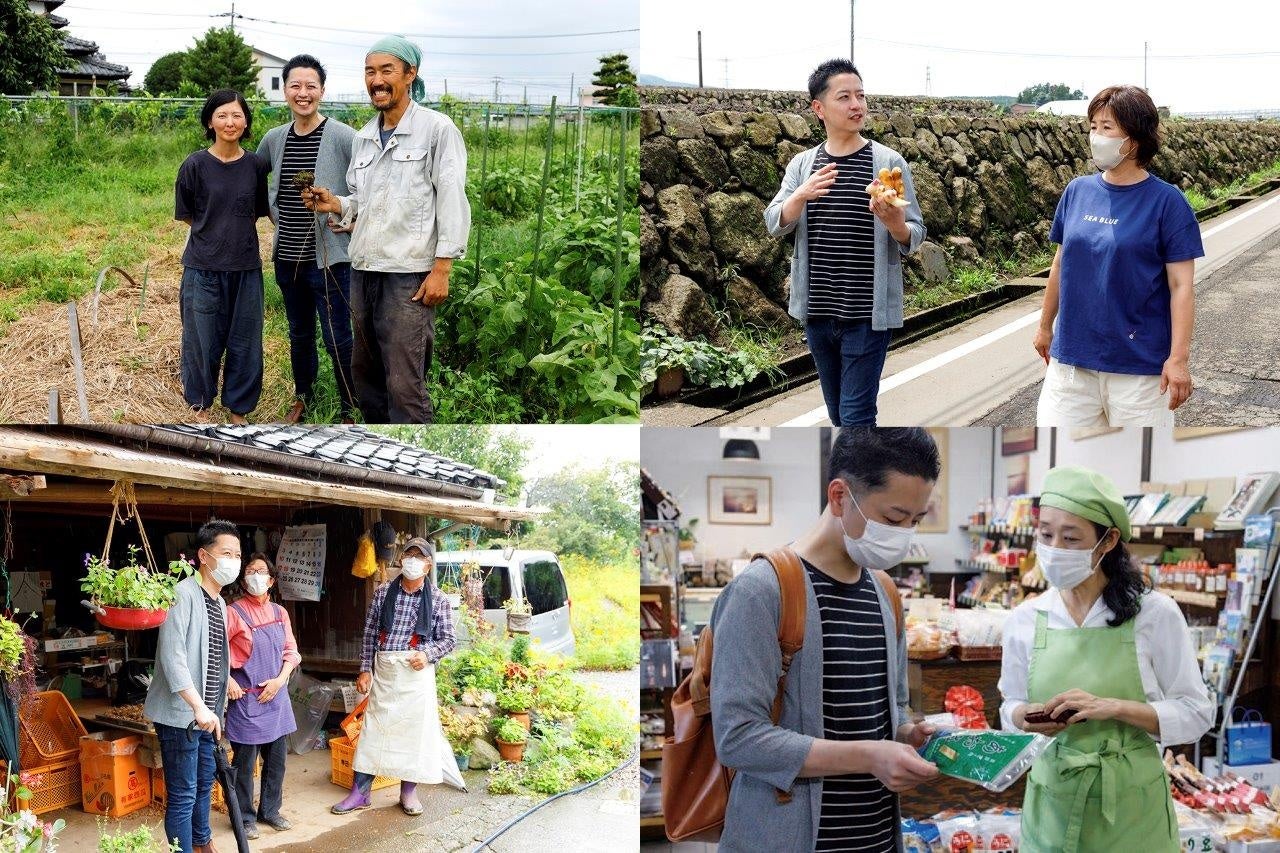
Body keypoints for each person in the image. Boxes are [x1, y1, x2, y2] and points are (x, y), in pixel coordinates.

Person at [710, 428, 941, 852]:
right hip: (789, 838)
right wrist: (870, 756)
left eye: (916, 521)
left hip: (876, 838)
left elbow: (893, 706)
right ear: (839, 496)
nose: (905, 534)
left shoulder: (886, 593)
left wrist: (908, 733)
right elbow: (738, 738)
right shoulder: (763, 590)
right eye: (893, 519)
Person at [998, 466, 1214, 853]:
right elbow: (1009, 704)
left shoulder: (1154, 614)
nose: (1053, 548)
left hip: (1131, 811)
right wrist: (1022, 716)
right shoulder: (1024, 620)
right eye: (1045, 534)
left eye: (1070, 537)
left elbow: (1197, 713)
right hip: (1053, 805)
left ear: (1108, 540)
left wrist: (1112, 707)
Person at [303, 36, 471, 424]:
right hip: (363, 270)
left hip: (408, 275)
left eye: (386, 70)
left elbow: (451, 200)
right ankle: (380, 437)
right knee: (366, 376)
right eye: (369, 71)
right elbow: (361, 201)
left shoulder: (436, 130)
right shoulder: (364, 137)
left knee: (404, 383)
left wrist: (442, 267)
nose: (376, 80)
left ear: (410, 74)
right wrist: (336, 203)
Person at [764, 60, 926, 427]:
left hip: (867, 315)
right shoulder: (803, 166)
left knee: (856, 415)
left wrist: (894, 222)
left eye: (861, 95)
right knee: (838, 414)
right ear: (818, 109)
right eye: (845, 97)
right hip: (818, 312)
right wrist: (801, 195)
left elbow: (913, 234)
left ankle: (859, 484)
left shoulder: (887, 162)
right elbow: (774, 222)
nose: (857, 105)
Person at [1034, 85, 1204, 427]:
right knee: (1062, 466)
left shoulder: (1167, 203)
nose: (1097, 136)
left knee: (1137, 473)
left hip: (1138, 370)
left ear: (1135, 138)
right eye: (1093, 126)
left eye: (1107, 127)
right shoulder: (1077, 192)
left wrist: (1178, 359)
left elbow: (1180, 286)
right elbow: (1060, 263)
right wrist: (1044, 327)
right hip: (1072, 365)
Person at [256, 54, 359, 425]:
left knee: (337, 336)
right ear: (285, 90)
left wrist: (349, 217)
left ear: (322, 91)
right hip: (288, 256)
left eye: (310, 86)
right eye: (295, 86)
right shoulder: (273, 139)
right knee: (299, 332)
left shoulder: (344, 136)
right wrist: (273, 216)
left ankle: (350, 407)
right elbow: (256, 182)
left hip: (329, 258)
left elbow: (367, 190)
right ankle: (303, 397)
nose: (303, 93)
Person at [332, 537, 462, 816]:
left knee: (412, 737)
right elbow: (369, 634)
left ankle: (408, 793)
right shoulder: (382, 593)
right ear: (401, 560)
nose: (412, 560)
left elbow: (449, 639)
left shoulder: (438, 599)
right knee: (373, 733)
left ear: (428, 565)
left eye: (419, 556)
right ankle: (360, 792)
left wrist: (427, 654)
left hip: (416, 676)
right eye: (408, 555)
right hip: (386, 671)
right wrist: (365, 669)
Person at [144, 520, 241, 853]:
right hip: (181, 716)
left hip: (207, 716)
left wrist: (214, 707)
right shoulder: (181, 594)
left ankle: (202, 843)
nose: (234, 561)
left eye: (237, 554)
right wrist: (197, 705)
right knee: (183, 794)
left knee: (202, 786)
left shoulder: (221, 603)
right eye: (226, 553)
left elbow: (213, 657)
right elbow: (173, 657)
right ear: (203, 555)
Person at [175, 90, 270, 424]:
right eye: (222, 116)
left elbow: (259, 210)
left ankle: (238, 409)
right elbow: (188, 214)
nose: (230, 122)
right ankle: (200, 403)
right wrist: (212, 235)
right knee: (200, 339)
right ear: (210, 122)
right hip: (203, 267)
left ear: (246, 122)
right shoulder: (195, 165)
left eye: (237, 115)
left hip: (245, 267)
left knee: (246, 341)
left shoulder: (256, 165)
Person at [223, 553, 300, 841]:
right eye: (250, 571)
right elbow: (217, 652)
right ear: (244, 580)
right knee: (244, 766)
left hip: (276, 697)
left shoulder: (281, 613)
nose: (255, 576)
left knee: (277, 762)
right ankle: (243, 816)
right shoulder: (233, 612)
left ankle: (270, 810)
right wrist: (228, 679)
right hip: (246, 699)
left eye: (261, 571)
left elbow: (291, 652)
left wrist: (280, 681)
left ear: (271, 580)